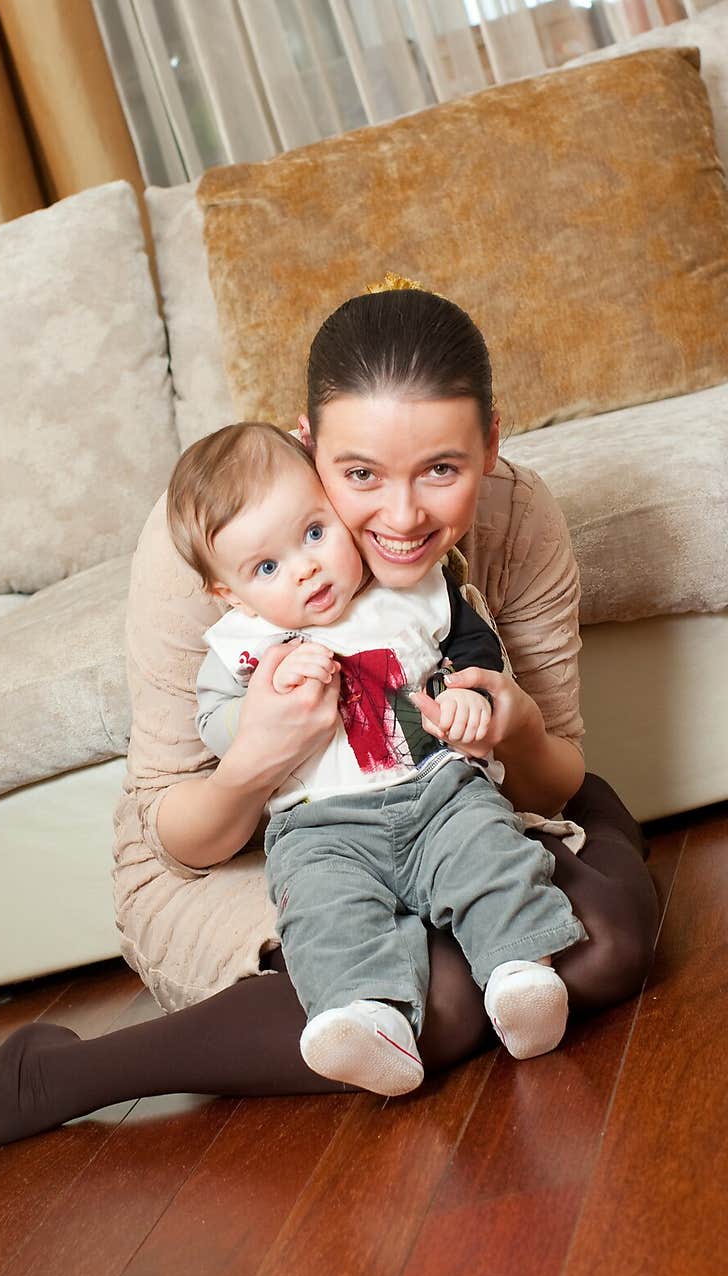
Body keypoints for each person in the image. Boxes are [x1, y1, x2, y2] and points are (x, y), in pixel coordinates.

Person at [0, 286, 658, 1182]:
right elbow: (180, 840)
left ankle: (566, 895)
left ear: (491, 444)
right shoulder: (217, 549)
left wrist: (513, 730)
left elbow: (548, 784)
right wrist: (258, 754)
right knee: (441, 999)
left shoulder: (515, 521)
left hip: (451, 800)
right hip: (257, 843)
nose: (400, 517)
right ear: (308, 447)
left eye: (442, 469)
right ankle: (61, 1074)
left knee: (604, 944)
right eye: (359, 476)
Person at [167, 420, 585, 1096]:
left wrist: (468, 698)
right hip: (319, 825)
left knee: (487, 850)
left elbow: (473, 653)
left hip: (435, 787)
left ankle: (520, 974)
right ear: (230, 592)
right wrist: (261, 711)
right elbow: (215, 722)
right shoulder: (243, 645)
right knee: (322, 910)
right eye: (267, 568)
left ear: (335, 502)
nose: (305, 568)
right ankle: (366, 1018)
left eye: (313, 533)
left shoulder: (411, 587)